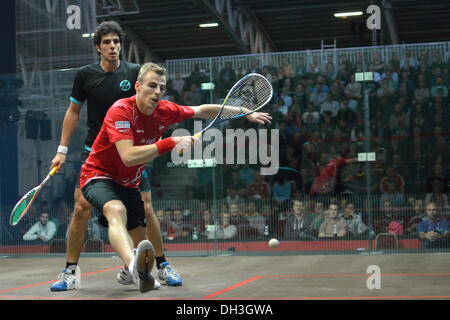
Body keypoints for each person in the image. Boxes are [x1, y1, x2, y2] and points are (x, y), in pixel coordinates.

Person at [49, 21, 173, 291]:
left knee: (146, 208)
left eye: (116, 41)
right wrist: (61, 150)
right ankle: (70, 272)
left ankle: (161, 266)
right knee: (81, 207)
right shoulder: (85, 75)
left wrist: (154, 139)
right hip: (96, 153)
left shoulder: (134, 73)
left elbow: (153, 106)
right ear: (98, 47)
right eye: (107, 42)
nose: (113, 46)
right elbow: (73, 112)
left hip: (129, 153)